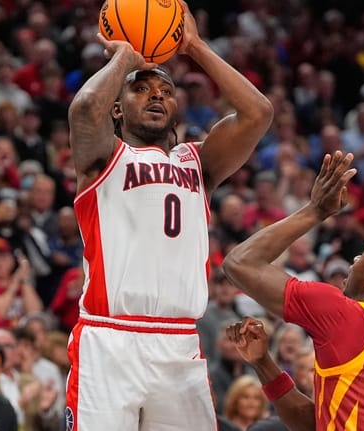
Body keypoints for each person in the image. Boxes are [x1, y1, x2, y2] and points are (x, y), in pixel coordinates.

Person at [65, 0, 273, 429]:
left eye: (165, 91)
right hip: (109, 338)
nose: (156, 94)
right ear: (117, 108)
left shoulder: (198, 163)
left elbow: (258, 113)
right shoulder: (104, 156)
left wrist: (194, 46)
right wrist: (127, 54)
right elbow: (86, 109)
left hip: (179, 344)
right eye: (141, 89)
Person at [224, 151, 364, 430]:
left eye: (362, 257)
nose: (354, 261)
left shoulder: (347, 315)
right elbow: (319, 425)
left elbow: (239, 263)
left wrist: (316, 210)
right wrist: (264, 364)